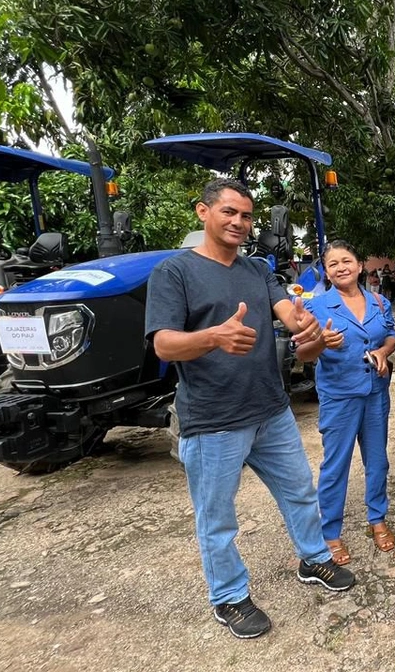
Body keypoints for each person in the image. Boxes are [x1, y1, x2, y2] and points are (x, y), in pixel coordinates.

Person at [145, 178, 355, 640]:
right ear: (203, 212)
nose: (240, 222)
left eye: (247, 216)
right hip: (213, 420)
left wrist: (310, 328)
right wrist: (213, 337)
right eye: (230, 213)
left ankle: (313, 557)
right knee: (217, 518)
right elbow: (162, 344)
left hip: (271, 410)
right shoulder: (173, 272)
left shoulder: (257, 269)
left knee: (300, 491)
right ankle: (229, 597)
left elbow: (290, 313)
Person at [295, 241, 395, 566]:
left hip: (375, 394)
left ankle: (377, 519)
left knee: (378, 461)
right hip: (339, 398)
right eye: (333, 264)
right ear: (326, 271)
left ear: (359, 264)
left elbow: (391, 335)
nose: (340, 267)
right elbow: (302, 354)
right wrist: (320, 342)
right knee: (335, 465)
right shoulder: (318, 307)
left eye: (346, 261)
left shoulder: (379, 302)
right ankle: (330, 533)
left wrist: (383, 352)